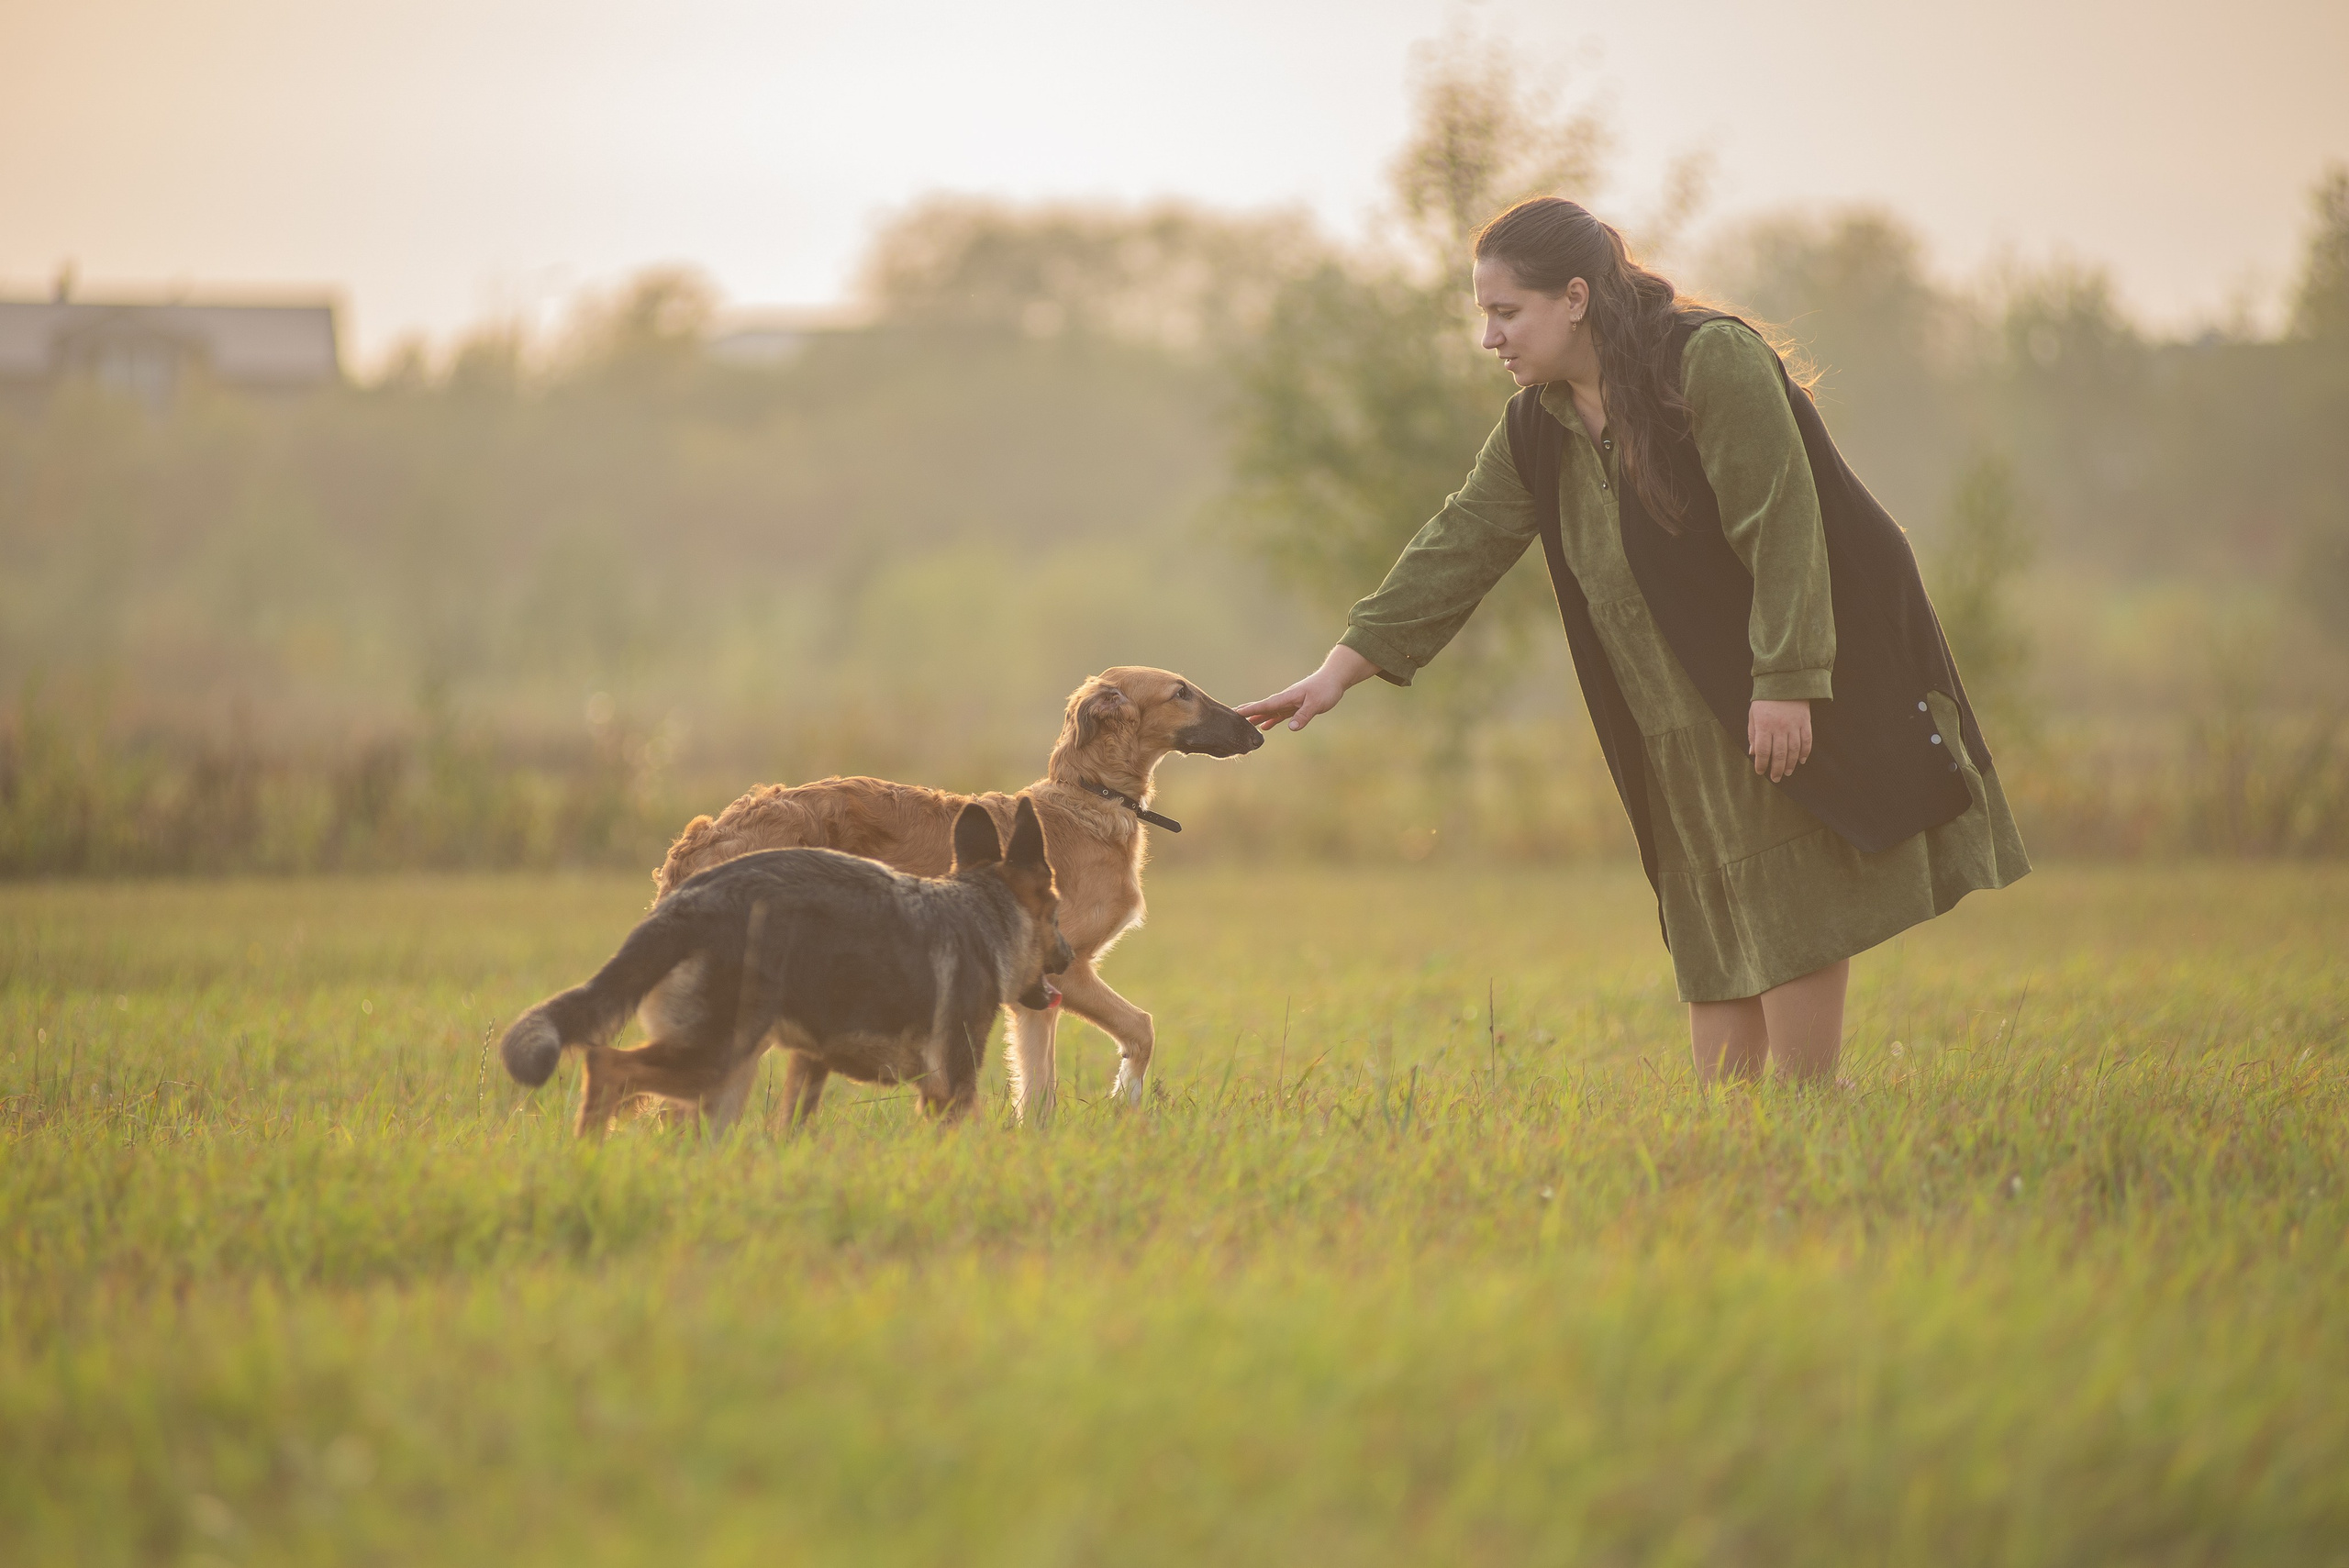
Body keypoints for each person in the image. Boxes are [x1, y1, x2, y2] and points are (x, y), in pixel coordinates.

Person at [1237, 197, 2030, 1084]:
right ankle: (1730, 1119)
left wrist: (1789, 680)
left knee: (1783, 881)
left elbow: (1785, 523)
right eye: (1483, 317)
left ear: (1574, 297)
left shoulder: (1709, 360)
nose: (1491, 337)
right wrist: (1339, 671)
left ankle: (1814, 1099)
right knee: (1707, 890)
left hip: (1769, 670)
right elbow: (1458, 541)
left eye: (1507, 313)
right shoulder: (1538, 423)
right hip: (1660, 699)